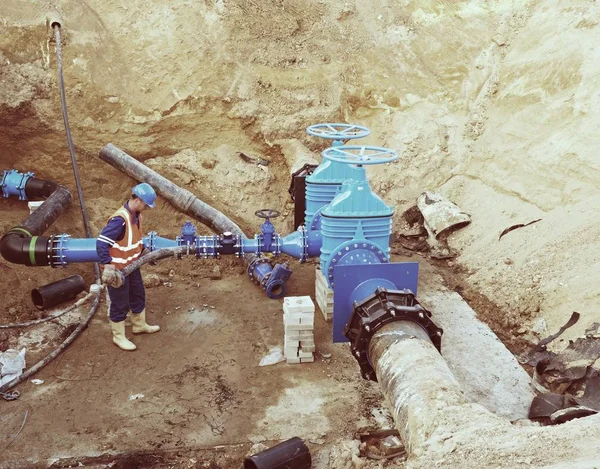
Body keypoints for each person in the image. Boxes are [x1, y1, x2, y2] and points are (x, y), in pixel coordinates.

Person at [96, 182, 160, 351]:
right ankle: (119, 337)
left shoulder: (137, 216)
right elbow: (101, 243)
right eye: (146, 205)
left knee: (138, 294)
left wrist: (144, 252)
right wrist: (108, 267)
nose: (146, 208)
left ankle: (139, 325)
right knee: (119, 302)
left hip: (132, 266)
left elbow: (135, 240)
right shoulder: (120, 220)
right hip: (118, 271)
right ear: (138, 200)